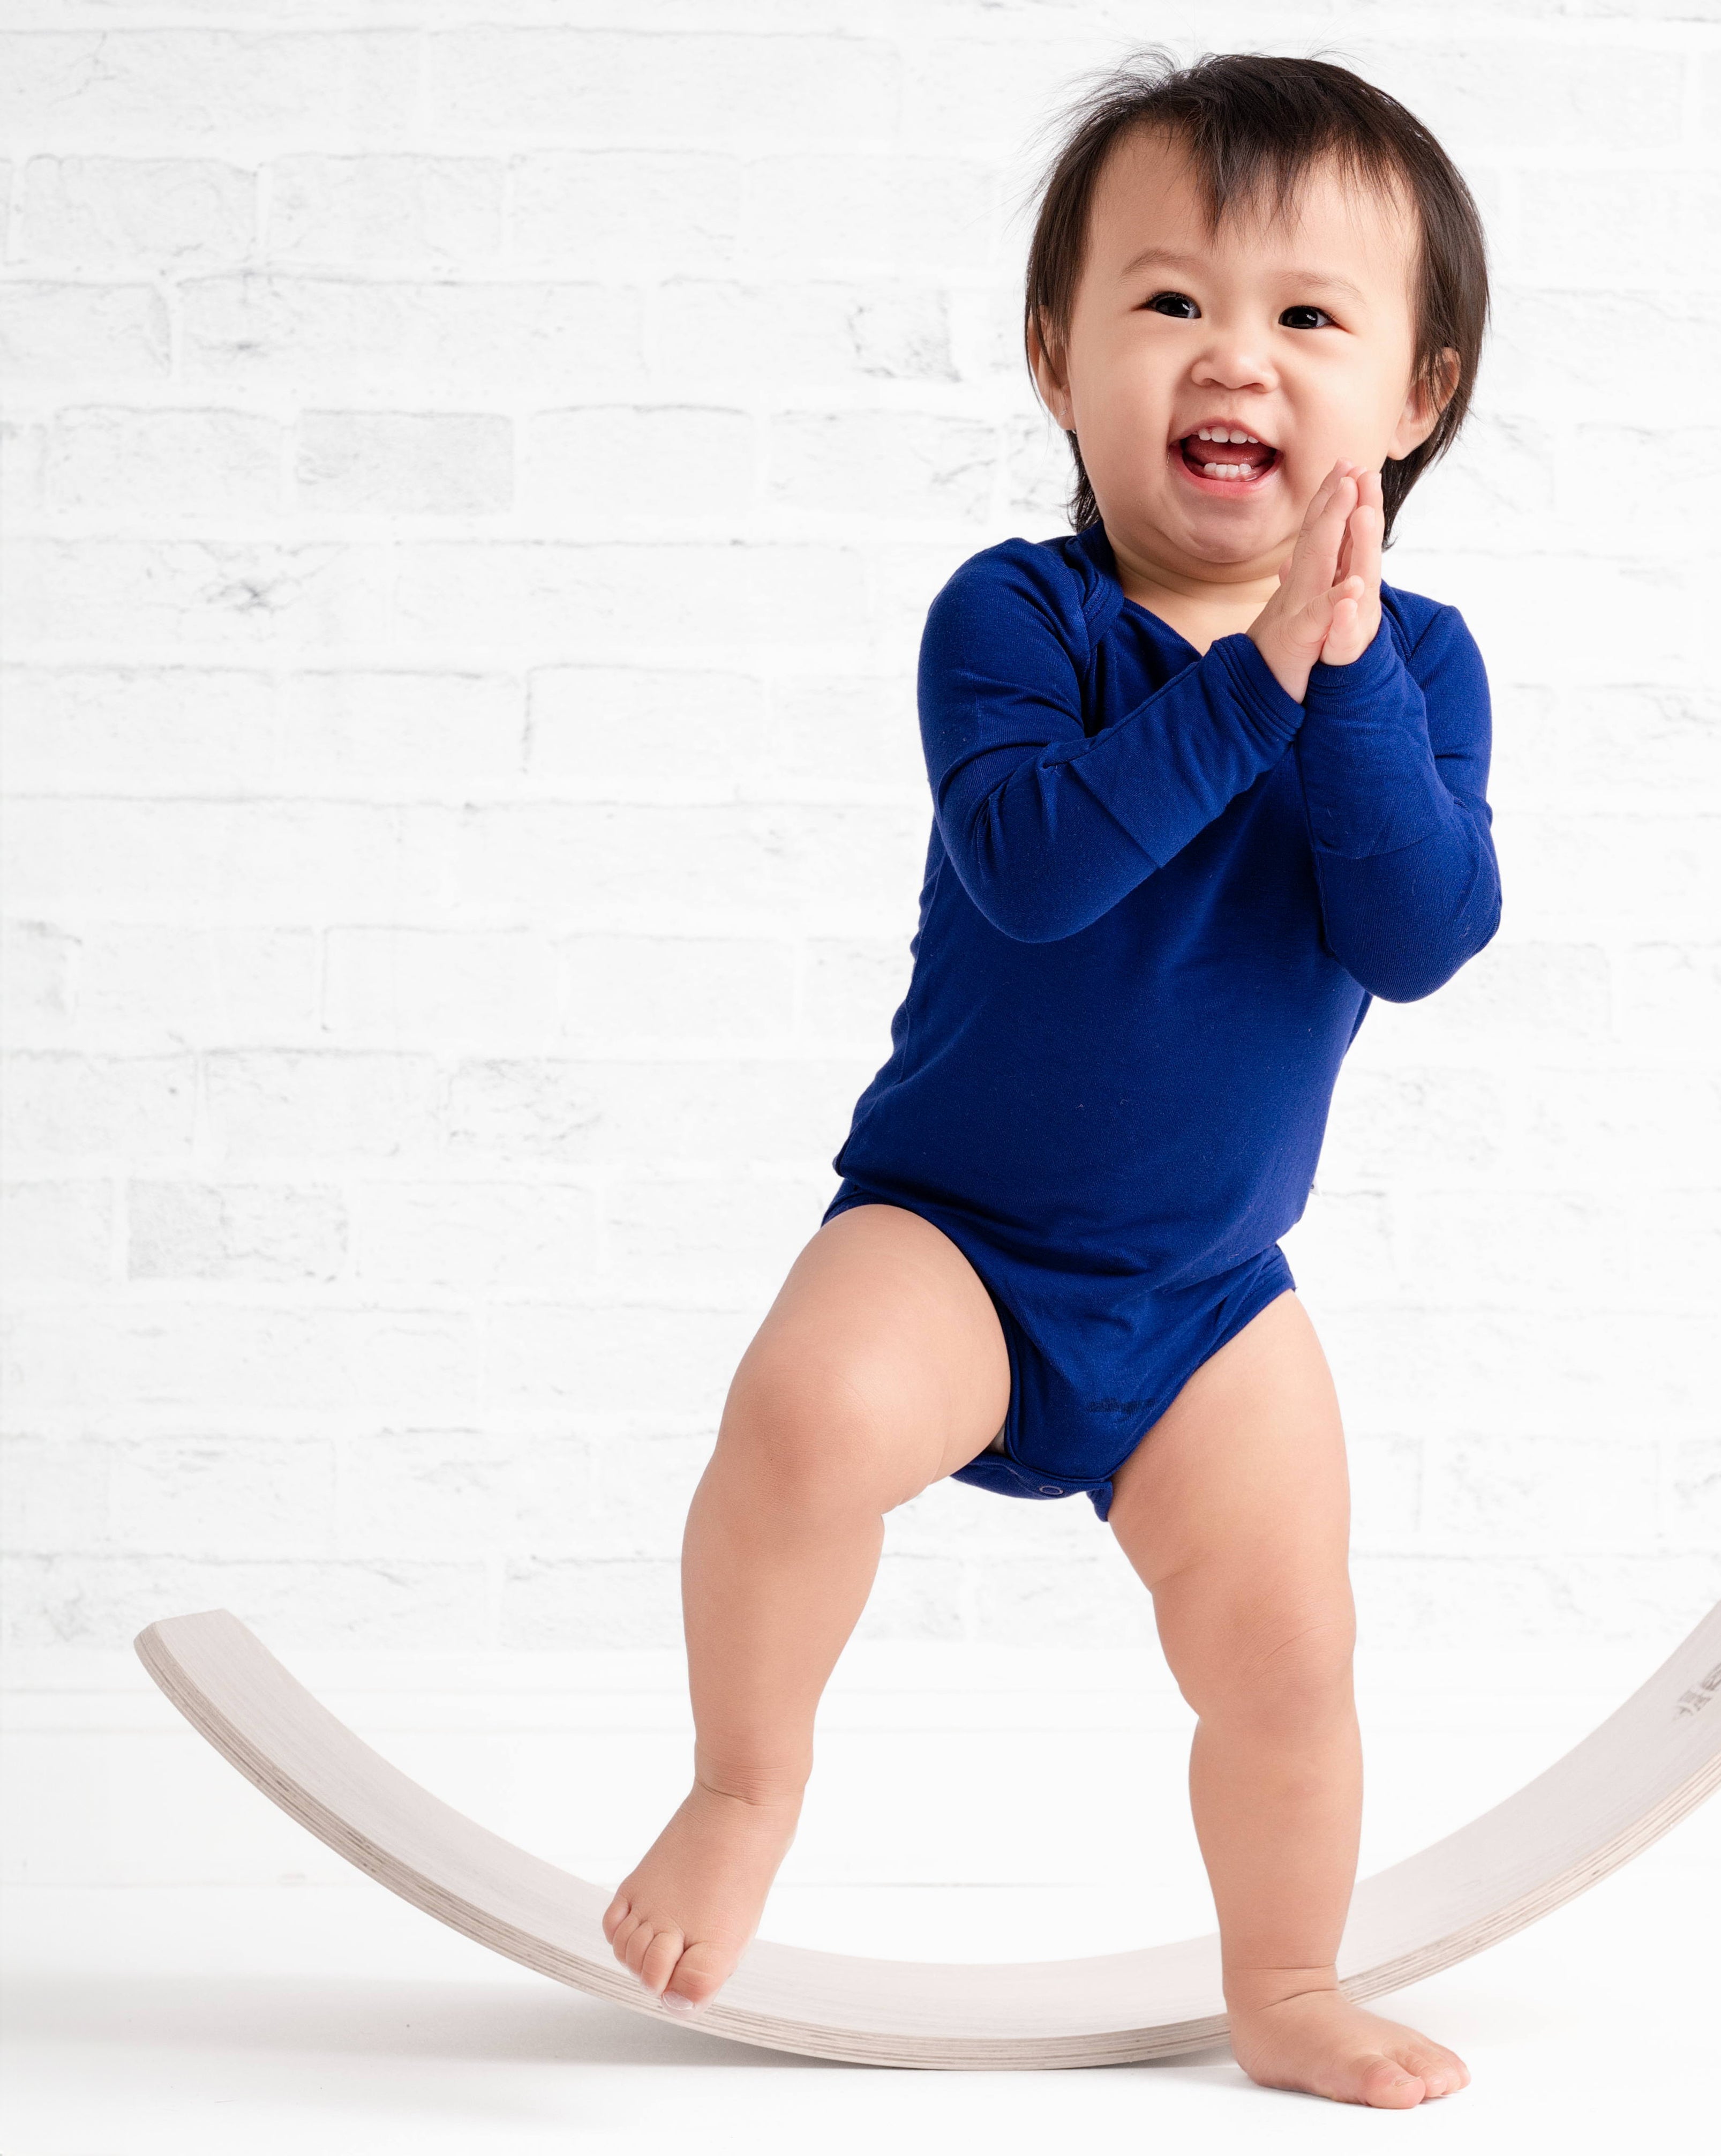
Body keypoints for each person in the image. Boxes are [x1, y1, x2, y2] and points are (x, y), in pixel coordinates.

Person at [603, 48, 1500, 2109]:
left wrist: (1340, 672)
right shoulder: (1015, 616)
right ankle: (743, 1785)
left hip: (1203, 1294)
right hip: (956, 1238)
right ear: (1055, 356)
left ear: (1415, 397)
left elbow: (1419, 931)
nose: (1235, 355)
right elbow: (1032, 865)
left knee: (1291, 1653)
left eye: (1309, 316)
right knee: (803, 1421)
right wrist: (1251, 678)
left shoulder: (1421, 668)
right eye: (1170, 299)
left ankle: (1289, 1978)